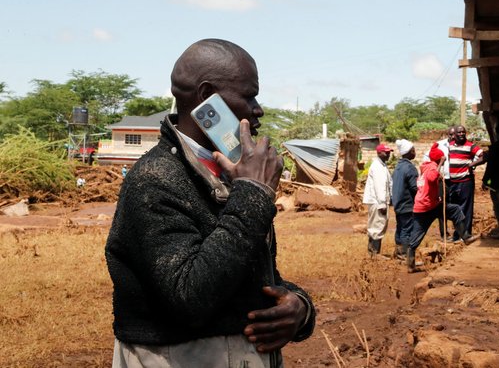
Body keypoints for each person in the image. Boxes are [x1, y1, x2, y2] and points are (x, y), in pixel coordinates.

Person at [105, 39, 315, 368]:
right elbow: (190, 296)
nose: (258, 109)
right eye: (248, 96)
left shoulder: (228, 173)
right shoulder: (155, 179)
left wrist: (300, 307)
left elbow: (244, 275)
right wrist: (253, 193)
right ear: (207, 98)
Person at [407, 143, 475, 273]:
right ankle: (465, 237)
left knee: (454, 210)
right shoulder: (432, 167)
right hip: (426, 208)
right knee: (417, 235)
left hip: (429, 205)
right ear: (439, 158)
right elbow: (432, 178)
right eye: (442, 159)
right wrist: (440, 165)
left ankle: (465, 237)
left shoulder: (425, 167)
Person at [448, 125, 484, 240]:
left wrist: (471, 165)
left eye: (463, 132)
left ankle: (466, 234)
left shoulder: (470, 146)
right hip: (452, 182)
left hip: (465, 182)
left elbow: (484, 156)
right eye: (459, 132)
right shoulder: (449, 146)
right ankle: (457, 234)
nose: (461, 134)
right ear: (454, 135)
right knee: (455, 209)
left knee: (466, 208)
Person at [362, 143, 393, 257]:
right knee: (377, 226)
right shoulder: (377, 167)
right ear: (379, 153)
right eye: (386, 152)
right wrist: (382, 205)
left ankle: (373, 253)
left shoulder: (381, 165)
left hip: (376, 201)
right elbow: (380, 187)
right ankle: (374, 254)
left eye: (389, 152)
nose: (388, 154)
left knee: (376, 226)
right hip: (378, 202)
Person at [391, 139, 418, 260]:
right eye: (413, 150)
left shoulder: (398, 166)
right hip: (407, 204)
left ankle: (399, 251)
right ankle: (406, 255)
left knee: (400, 227)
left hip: (398, 203)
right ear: (408, 152)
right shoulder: (409, 168)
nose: (414, 152)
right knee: (407, 229)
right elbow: (414, 188)